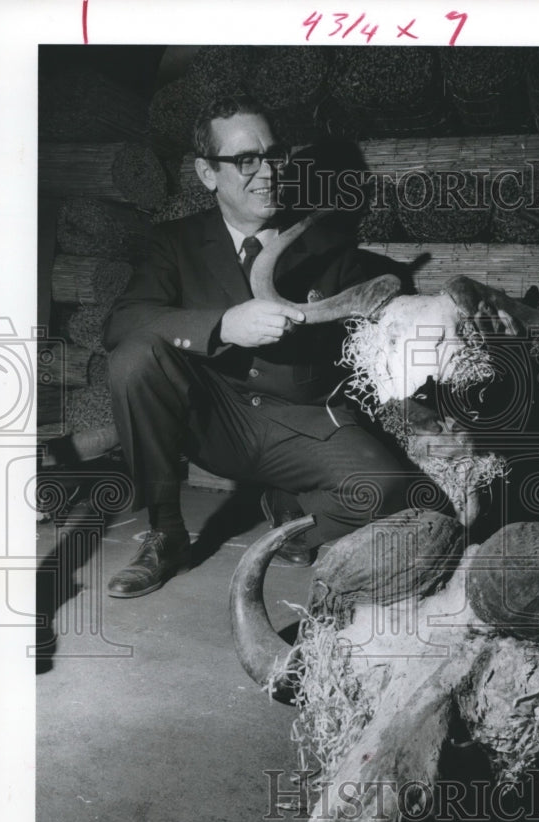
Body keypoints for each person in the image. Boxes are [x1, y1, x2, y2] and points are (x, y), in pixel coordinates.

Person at [102, 94, 409, 598]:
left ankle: (293, 518)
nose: (268, 172)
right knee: (134, 357)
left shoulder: (329, 243)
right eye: (246, 159)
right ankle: (166, 533)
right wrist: (223, 325)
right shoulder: (175, 242)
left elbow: (374, 320)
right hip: (214, 419)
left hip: (302, 424)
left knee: (389, 488)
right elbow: (120, 322)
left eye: (275, 155)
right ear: (207, 173)